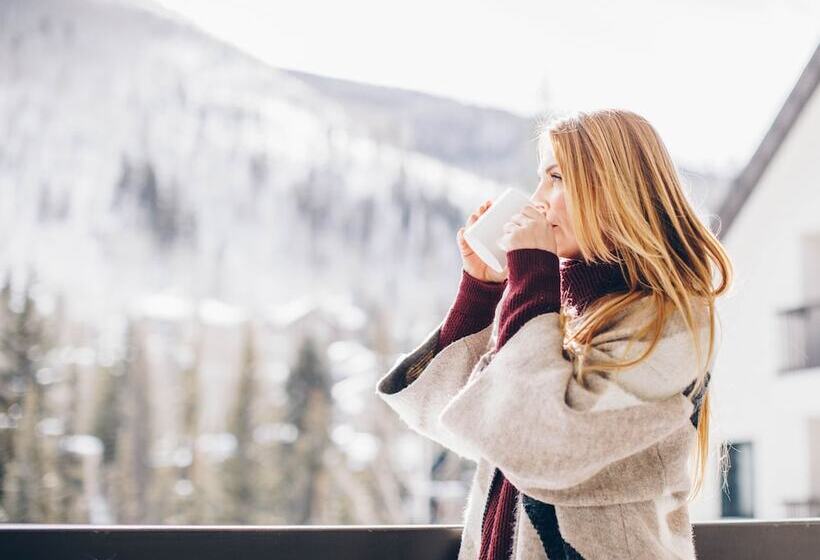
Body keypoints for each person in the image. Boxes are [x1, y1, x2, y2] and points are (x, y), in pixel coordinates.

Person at [375, 108, 732, 559]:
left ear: (616, 191)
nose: (537, 199)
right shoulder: (557, 316)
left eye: (557, 176)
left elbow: (541, 444)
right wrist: (481, 295)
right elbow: (469, 424)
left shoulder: (672, 321)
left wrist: (532, 283)